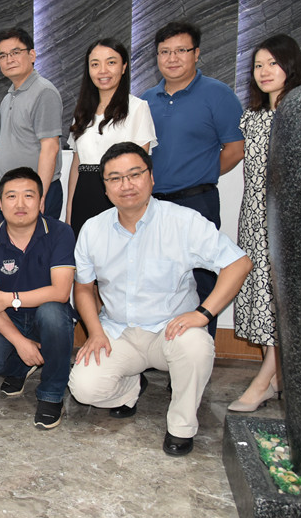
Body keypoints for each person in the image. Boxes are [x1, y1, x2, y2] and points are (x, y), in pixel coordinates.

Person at [69, 143, 251, 456]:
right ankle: (130, 388)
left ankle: (181, 426)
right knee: (84, 387)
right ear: (105, 188)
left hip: (171, 332)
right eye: (115, 178)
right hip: (119, 332)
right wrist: (95, 331)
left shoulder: (183, 221)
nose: (126, 185)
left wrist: (203, 314)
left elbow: (239, 263)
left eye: (134, 174)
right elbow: (83, 288)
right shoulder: (93, 229)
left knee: (196, 346)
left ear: (151, 177)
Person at [141, 20, 244, 337]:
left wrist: (202, 172)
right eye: (164, 52)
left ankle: (200, 353)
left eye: (181, 50)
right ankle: (158, 350)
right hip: (151, 205)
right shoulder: (145, 99)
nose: (172, 58)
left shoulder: (218, 94)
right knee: (155, 281)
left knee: (203, 282)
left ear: (196, 53)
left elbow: (235, 149)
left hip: (197, 201)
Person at [228, 34, 301, 413]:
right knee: (260, 298)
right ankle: (277, 378)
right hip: (253, 219)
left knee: (279, 301)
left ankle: (262, 383)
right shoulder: (252, 118)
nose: (264, 71)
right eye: (258, 65)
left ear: (290, 66)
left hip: (286, 221)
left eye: (272, 64)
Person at [0, 166, 76, 428]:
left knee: (52, 312)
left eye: (28, 196)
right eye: (11, 196)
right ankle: (20, 365)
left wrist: (11, 298)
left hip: (47, 315)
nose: (20, 204)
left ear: (41, 201)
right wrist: (19, 342)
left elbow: (60, 292)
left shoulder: (60, 233)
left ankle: (51, 393)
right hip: (9, 319)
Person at [66, 39, 157, 237]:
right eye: (95, 64)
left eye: (111, 62)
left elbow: (141, 168)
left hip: (121, 195)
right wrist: (69, 212)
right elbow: (76, 165)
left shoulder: (137, 108)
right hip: (84, 195)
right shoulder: (82, 112)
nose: (102, 71)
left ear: (124, 67)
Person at [0, 28, 63, 218]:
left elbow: (50, 147)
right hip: (10, 194)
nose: (9, 60)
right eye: (2, 56)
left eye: (15, 52)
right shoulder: (9, 97)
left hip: (33, 195)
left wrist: (39, 195)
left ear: (32, 55)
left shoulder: (44, 92)